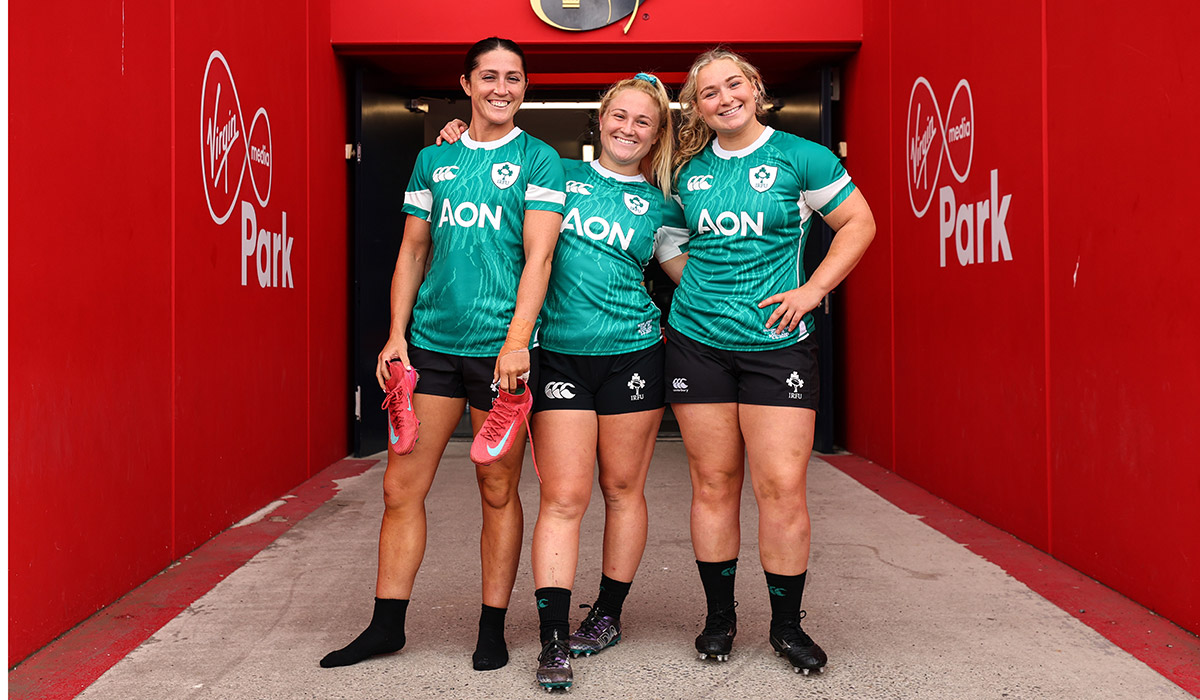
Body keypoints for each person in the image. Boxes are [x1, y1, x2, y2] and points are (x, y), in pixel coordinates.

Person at [320, 37, 565, 672]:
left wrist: (518, 340)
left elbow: (539, 258)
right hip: (430, 344)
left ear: (524, 87)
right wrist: (395, 333)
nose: (501, 88)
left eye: (513, 77)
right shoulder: (435, 160)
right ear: (467, 82)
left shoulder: (541, 161)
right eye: (489, 76)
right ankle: (386, 625)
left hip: (501, 354)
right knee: (401, 487)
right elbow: (412, 249)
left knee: (496, 487)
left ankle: (492, 628)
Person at [439, 72, 688, 690]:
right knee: (564, 496)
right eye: (620, 116)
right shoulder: (553, 173)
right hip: (559, 356)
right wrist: (457, 139)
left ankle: (606, 615)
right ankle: (554, 640)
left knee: (623, 488)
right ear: (600, 119)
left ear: (657, 135)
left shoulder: (664, 206)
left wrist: (767, 297)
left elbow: (688, 277)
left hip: (634, 354)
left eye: (644, 122)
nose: (629, 129)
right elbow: (486, 164)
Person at [668, 48, 876, 675]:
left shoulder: (801, 156)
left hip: (778, 342)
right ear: (696, 106)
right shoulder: (683, 170)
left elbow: (859, 223)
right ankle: (720, 619)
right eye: (709, 92)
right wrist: (698, 289)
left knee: (781, 487)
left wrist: (813, 291)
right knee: (713, 484)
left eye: (734, 85)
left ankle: (786, 627)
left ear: (755, 89)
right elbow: (670, 238)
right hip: (697, 343)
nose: (724, 98)